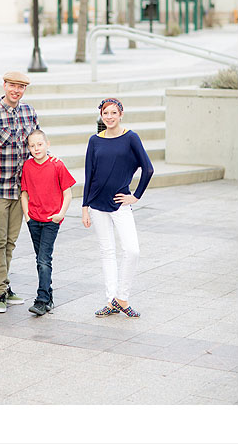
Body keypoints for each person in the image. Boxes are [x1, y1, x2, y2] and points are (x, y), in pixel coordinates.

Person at [81, 98, 154, 318]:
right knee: (107, 251)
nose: (109, 117)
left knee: (132, 250)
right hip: (96, 203)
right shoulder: (95, 140)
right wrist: (85, 206)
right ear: (101, 116)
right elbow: (89, 174)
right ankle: (111, 299)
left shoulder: (131, 137)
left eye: (114, 113)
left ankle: (122, 296)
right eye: (106, 113)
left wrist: (135, 196)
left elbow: (148, 169)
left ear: (121, 114)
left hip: (120, 203)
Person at [0, 70, 41, 313]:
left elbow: (36, 144)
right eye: (12, 85)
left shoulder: (29, 112)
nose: (16, 90)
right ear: (5, 85)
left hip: (21, 190)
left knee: (10, 242)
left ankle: (4, 286)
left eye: (21, 87)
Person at [20, 130, 76, 317]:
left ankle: (42, 300)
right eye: (32, 145)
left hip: (52, 220)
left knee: (44, 260)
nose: (36, 148)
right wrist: (27, 216)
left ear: (47, 144)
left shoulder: (57, 165)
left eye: (40, 144)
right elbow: (24, 193)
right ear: (28, 148)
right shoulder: (27, 166)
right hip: (34, 220)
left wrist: (60, 214)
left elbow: (68, 193)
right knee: (41, 260)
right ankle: (49, 295)